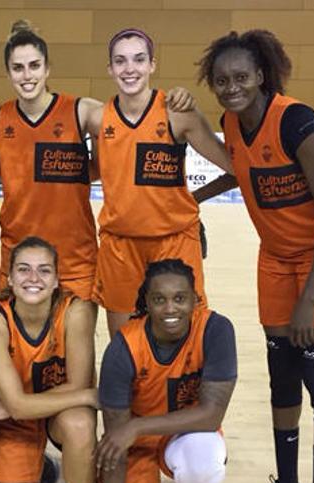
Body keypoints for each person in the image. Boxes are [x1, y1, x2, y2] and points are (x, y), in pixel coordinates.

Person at [197, 30, 314, 483]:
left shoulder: (297, 123)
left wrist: (310, 299)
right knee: (283, 374)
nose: (231, 87)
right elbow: (242, 172)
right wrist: (191, 199)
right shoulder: (231, 124)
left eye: (240, 77)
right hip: (276, 255)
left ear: (260, 76)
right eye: (221, 80)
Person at [0, 21, 194, 302]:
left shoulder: (83, 111)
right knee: (18, 343)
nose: (27, 75)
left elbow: (133, 125)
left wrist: (176, 97)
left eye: (34, 66)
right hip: (19, 256)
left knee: (75, 343)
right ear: (8, 72)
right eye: (18, 68)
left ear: (47, 69)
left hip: (76, 258)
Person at [84, 28, 233, 336]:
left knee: (184, 341)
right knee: (125, 345)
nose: (130, 69)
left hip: (174, 240)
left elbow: (236, 168)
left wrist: (195, 198)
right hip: (120, 245)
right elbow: (97, 169)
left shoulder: (178, 112)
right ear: (109, 68)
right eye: (120, 61)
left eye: (139, 60)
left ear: (152, 64)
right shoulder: (99, 119)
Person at [95, 259, 237, 483]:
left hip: (186, 431)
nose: (170, 308)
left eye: (179, 298)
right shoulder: (123, 348)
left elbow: (211, 416)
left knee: (204, 463)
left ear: (195, 299)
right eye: (159, 299)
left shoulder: (215, 330)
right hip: (136, 444)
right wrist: (133, 431)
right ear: (147, 303)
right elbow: (116, 440)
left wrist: (137, 426)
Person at [0, 236, 98, 483]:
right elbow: (80, 391)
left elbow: (76, 383)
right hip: (15, 422)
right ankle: (45, 474)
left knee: (81, 424)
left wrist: (15, 405)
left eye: (44, 270)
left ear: (56, 280)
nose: (34, 278)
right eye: (23, 269)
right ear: (9, 278)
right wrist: (88, 395)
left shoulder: (76, 312)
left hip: (60, 412)